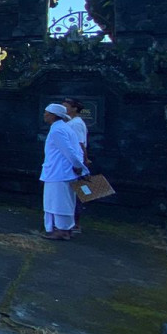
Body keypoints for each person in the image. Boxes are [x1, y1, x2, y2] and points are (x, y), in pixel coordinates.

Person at [40, 103, 87, 241]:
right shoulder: (64, 128)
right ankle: (62, 228)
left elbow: (69, 151)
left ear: (53, 115)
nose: (45, 115)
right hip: (60, 171)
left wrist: (78, 165)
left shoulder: (58, 130)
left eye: (46, 112)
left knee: (58, 201)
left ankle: (62, 230)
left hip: (59, 172)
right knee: (58, 200)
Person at [63, 97, 89, 233]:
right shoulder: (71, 122)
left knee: (76, 193)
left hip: (76, 163)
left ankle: (75, 224)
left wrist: (83, 161)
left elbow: (80, 144)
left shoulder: (76, 124)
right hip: (73, 162)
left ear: (74, 108)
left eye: (66, 106)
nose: (64, 108)